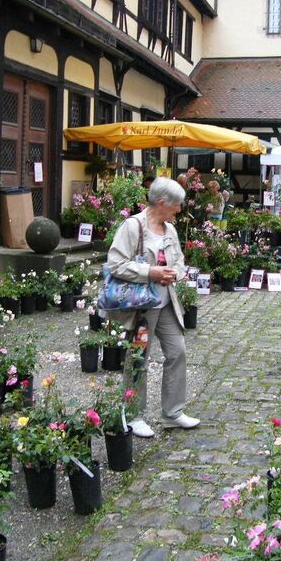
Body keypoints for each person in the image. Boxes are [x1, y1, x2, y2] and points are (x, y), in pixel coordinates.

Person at [106, 177, 200, 438]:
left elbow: (180, 259)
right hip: (142, 306)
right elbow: (115, 263)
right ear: (162, 202)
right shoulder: (133, 227)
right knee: (138, 359)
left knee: (177, 352)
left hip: (167, 302)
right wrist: (151, 271)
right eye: (177, 205)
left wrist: (175, 273)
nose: (179, 210)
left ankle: (172, 413)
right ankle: (134, 415)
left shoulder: (170, 230)